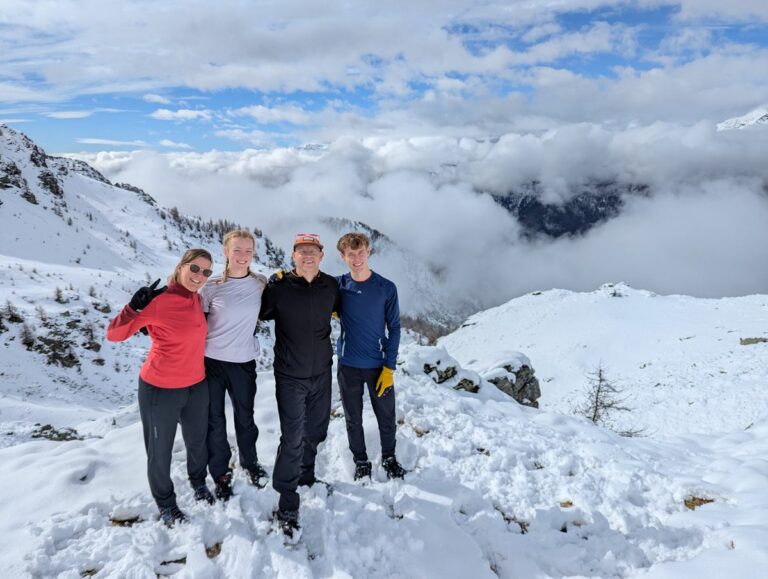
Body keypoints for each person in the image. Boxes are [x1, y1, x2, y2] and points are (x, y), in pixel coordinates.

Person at [106, 249, 214, 527]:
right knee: (160, 450)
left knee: (197, 441)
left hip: (196, 385)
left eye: (206, 272)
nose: (199, 276)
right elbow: (115, 335)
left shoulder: (196, 298)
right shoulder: (159, 301)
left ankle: (198, 483)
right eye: (194, 269)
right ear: (180, 267)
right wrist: (134, 308)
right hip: (160, 389)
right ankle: (166, 505)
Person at [259, 233, 340, 537]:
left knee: (316, 431)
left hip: (321, 373)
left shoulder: (330, 286)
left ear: (322, 256)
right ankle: (287, 501)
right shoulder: (279, 287)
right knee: (292, 436)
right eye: (302, 251)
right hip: (290, 376)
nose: (308, 256)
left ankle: (306, 477)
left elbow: (347, 312)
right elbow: (251, 314)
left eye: (313, 251)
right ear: (293, 256)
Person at [199, 229, 268, 501]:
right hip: (211, 363)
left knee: (245, 417)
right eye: (237, 250)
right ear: (226, 252)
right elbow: (195, 324)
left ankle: (250, 464)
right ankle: (220, 473)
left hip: (243, 363)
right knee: (214, 421)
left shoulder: (261, 284)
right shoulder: (211, 286)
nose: (243, 256)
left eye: (248, 251)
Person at [335, 232, 405, 481]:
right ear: (342, 257)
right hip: (348, 365)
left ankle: (389, 458)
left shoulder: (386, 288)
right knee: (353, 418)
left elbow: (394, 327)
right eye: (350, 254)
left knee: (386, 416)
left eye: (360, 252)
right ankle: (361, 461)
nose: (356, 259)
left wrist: (390, 367)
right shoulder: (337, 286)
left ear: (369, 252)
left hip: (378, 366)